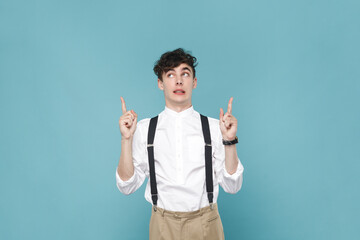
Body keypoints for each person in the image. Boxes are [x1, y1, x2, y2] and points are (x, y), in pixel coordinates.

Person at [116, 48, 244, 240]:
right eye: (170, 74)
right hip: (162, 224)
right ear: (160, 83)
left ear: (194, 82)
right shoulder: (144, 129)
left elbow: (232, 187)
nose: (178, 80)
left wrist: (229, 140)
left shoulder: (214, 127)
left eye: (185, 73)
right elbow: (127, 186)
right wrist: (126, 139)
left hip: (206, 222)